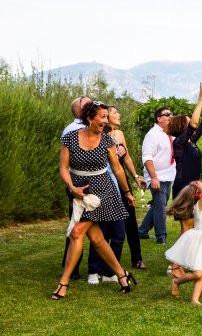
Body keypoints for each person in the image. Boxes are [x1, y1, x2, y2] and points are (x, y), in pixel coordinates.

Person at [52, 101, 137, 299]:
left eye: (107, 117)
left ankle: (63, 283)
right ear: (90, 118)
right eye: (102, 117)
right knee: (97, 239)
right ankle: (122, 275)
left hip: (103, 191)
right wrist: (72, 188)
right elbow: (63, 168)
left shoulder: (107, 140)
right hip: (78, 190)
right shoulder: (70, 138)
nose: (105, 121)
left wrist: (127, 192)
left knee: (77, 232)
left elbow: (116, 169)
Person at [97, 105, 147, 282]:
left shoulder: (119, 134)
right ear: (105, 117)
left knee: (130, 220)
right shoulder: (100, 135)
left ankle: (137, 258)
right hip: (106, 180)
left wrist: (135, 176)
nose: (118, 114)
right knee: (109, 225)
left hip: (122, 178)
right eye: (114, 112)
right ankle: (104, 264)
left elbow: (126, 158)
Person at [165, 161, 202, 305]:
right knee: (198, 273)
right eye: (201, 184)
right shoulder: (199, 206)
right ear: (198, 194)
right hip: (199, 240)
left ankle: (195, 299)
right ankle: (176, 281)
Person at [170, 83, 202, 199]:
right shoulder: (179, 143)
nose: (192, 121)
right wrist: (201, 99)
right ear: (181, 126)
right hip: (183, 187)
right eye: (188, 121)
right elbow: (193, 124)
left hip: (194, 185)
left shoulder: (191, 140)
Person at [60, 95, 93, 280]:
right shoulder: (73, 131)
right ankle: (71, 268)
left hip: (83, 182)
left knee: (80, 224)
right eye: (86, 103)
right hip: (77, 184)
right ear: (79, 109)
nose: (91, 104)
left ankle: (70, 264)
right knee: (76, 224)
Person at [138, 105, 176, 245]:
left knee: (158, 205)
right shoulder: (152, 134)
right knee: (160, 207)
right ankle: (162, 237)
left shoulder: (170, 134)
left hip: (168, 175)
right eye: (167, 114)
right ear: (158, 118)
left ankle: (142, 231)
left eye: (171, 114)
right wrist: (153, 178)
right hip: (157, 176)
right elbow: (147, 158)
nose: (170, 116)